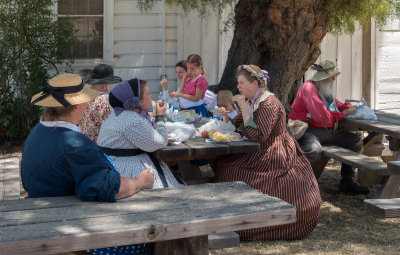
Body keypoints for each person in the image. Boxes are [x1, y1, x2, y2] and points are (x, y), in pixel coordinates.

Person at [22, 73, 155, 255]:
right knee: (144, 238)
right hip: (65, 227)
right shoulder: (73, 144)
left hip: (45, 215)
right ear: (77, 105)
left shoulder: (39, 130)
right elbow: (110, 189)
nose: (87, 104)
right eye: (85, 100)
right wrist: (141, 182)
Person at [214, 65, 321, 241]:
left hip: (273, 151)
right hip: (258, 149)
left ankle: (250, 224)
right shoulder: (252, 100)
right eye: (238, 83)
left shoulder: (269, 103)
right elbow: (239, 125)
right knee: (224, 165)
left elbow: (258, 137)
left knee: (236, 172)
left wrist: (243, 107)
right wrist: (226, 115)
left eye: (242, 83)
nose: (238, 87)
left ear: (255, 83)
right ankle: (227, 217)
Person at [289, 60, 369, 194]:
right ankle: (293, 183)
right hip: (306, 129)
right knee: (314, 149)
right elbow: (322, 118)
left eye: (334, 76)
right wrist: (342, 114)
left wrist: (350, 107)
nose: (334, 79)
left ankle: (347, 182)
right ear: (323, 77)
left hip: (321, 131)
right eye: (332, 76)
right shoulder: (309, 88)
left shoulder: (322, 89)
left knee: (354, 141)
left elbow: (336, 104)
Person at [97, 78, 184, 189]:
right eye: (148, 93)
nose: (151, 96)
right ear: (137, 101)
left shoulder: (121, 114)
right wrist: (160, 117)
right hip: (123, 169)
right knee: (170, 188)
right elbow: (160, 143)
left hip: (111, 164)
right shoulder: (132, 119)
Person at [78, 64, 122, 143]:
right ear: (105, 85)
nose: (111, 86)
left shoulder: (83, 97)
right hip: (99, 146)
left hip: (83, 143)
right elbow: (114, 126)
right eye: (110, 83)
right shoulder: (105, 100)